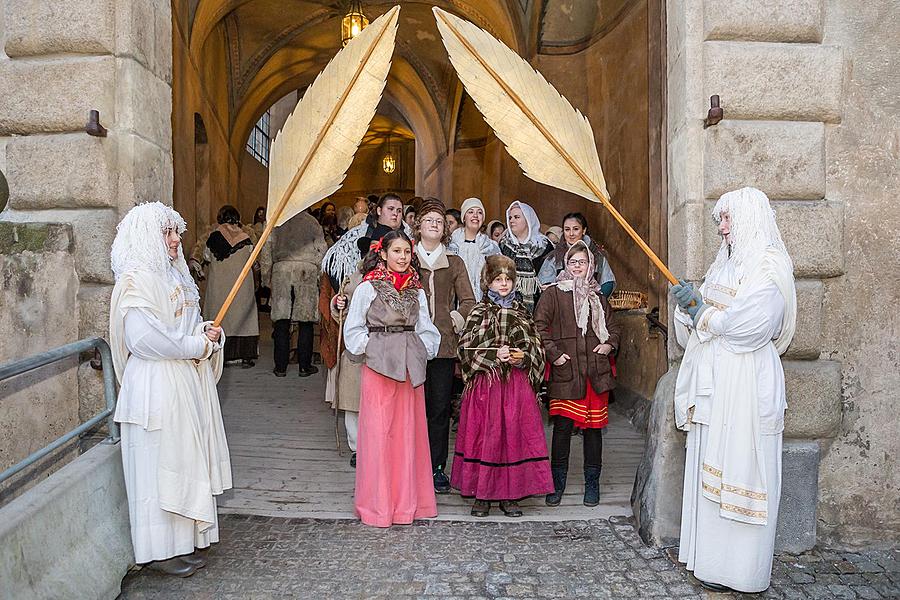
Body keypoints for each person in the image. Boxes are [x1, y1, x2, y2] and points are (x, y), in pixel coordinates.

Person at [671, 187, 797, 594]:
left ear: (747, 220)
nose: (721, 230)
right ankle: (710, 562)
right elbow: (705, 312)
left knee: (744, 467)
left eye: (726, 221)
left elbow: (752, 325)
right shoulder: (724, 264)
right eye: (719, 222)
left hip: (746, 382)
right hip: (716, 385)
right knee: (711, 464)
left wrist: (703, 313)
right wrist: (688, 308)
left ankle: (742, 571)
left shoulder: (769, 266)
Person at [109, 202, 231, 577]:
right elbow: (143, 339)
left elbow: (187, 325)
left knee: (184, 462)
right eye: (168, 232)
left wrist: (208, 332)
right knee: (158, 468)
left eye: (177, 231)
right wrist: (196, 346)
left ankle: (182, 543)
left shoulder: (176, 277)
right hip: (155, 386)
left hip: (183, 383)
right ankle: (159, 550)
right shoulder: (135, 282)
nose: (177, 239)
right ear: (148, 236)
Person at [343, 230, 441, 527]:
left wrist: (423, 349)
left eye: (406, 252)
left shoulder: (417, 290)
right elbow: (354, 327)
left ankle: (409, 504)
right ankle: (379, 506)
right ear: (383, 253)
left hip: (410, 368)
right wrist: (371, 348)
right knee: (379, 435)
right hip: (379, 366)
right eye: (396, 251)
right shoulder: (368, 287)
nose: (402, 257)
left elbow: (425, 326)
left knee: (408, 436)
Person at [453, 255, 553, 518]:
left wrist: (522, 357)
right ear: (489, 282)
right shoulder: (478, 311)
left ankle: (510, 496)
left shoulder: (522, 312)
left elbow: (536, 346)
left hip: (515, 387)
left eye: (508, 279)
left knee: (513, 437)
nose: (504, 284)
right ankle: (482, 496)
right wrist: (493, 355)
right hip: (487, 385)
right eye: (498, 279)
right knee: (486, 436)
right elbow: (464, 347)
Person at [534, 240, 621, 508]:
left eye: (582, 262)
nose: (577, 267)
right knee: (562, 429)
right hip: (566, 370)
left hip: (594, 372)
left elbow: (614, 328)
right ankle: (556, 484)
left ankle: (591, 485)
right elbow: (539, 326)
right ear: (566, 265)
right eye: (573, 262)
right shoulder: (553, 294)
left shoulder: (598, 297)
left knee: (594, 432)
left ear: (590, 266)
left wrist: (608, 345)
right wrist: (554, 354)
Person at [414, 197, 477, 493]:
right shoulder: (406, 258)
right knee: (411, 409)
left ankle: (437, 468)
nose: (435, 224)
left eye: (439, 221)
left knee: (439, 409)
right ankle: (411, 465)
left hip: (442, 346)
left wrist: (454, 319)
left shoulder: (454, 263)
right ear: (419, 225)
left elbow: (468, 301)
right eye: (429, 220)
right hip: (409, 345)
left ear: (445, 229)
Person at [329, 223, 393, 466]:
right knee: (354, 402)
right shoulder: (354, 277)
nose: (376, 256)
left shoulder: (398, 278)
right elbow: (340, 313)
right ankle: (357, 447)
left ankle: (380, 444)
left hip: (386, 348)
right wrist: (339, 303)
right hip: (358, 350)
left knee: (381, 403)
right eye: (373, 251)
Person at [268, 209, 328, 377]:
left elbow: (267, 247)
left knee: (281, 320)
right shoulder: (312, 222)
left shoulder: (278, 220)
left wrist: (267, 275)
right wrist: (316, 269)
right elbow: (322, 249)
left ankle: (280, 367)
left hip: (281, 268)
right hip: (306, 269)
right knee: (305, 320)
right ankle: (304, 366)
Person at [202, 205, 259, 367]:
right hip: (241, 288)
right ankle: (246, 356)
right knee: (244, 319)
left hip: (219, 287)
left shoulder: (213, 237)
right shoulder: (246, 239)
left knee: (221, 317)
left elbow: (206, 255)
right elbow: (254, 260)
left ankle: (222, 355)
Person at [321, 192, 411, 293]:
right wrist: (348, 294)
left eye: (399, 210)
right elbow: (333, 261)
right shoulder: (358, 234)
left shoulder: (409, 236)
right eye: (390, 209)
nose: (395, 213)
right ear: (379, 210)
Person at [538, 212, 616, 297]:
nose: (571, 234)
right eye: (567, 229)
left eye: (575, 229)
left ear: (583, 230)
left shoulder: (597, 255)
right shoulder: (554, 257)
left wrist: (597, 300)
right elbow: (545, 283)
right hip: (561, 305)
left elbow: (607, 282)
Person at [498, 200, 553, 313]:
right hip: (506, 306)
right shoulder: (503, 245)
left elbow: (548, 282)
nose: (512, 220)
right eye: (510, 218)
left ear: (528, 220)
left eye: (517, 217)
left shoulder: (543, 246)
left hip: (538, 307)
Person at [448, 197, 501, 302]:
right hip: (455, 302)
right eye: (470, 212)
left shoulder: (491, 247)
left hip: (483, 303)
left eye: (480, 212)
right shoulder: (451, 245)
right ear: (464, 218)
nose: (475, 215)